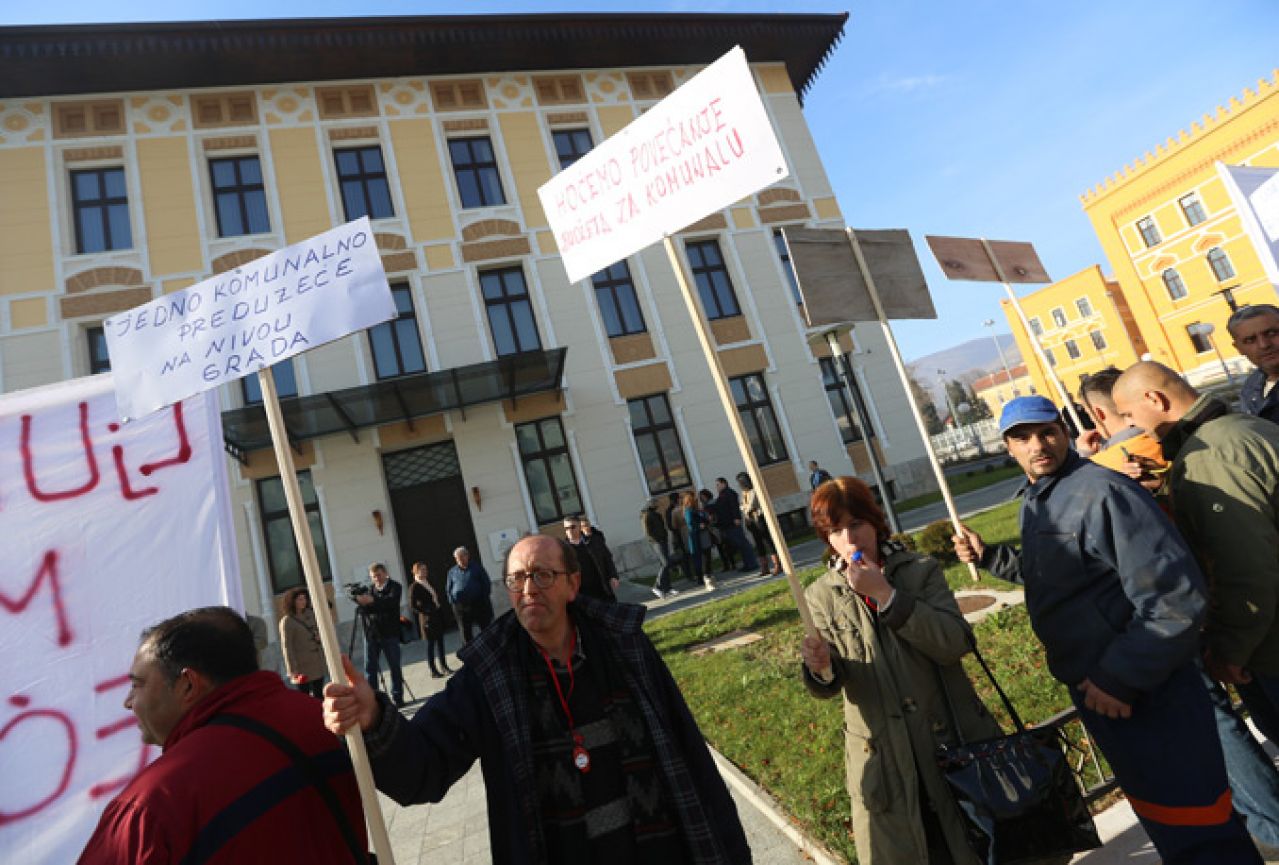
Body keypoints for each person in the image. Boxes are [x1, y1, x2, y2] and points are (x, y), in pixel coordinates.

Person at [952, 395, 1261, 864]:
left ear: (1063, 431)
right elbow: (1064, 576)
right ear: (1007, 448)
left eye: (1047, 431)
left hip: (1145, 692)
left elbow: (1174, 595)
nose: (1037, 445)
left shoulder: (1102, 491)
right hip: (1103, 694)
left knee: (1199, 829)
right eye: (1022, 437)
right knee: (1171, 826)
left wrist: (1120, 677)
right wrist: (991, 556)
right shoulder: (1040, 499)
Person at [322, 534, 751, 865]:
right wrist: (375, 716)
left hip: (659, 852)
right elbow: (426, 769)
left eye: (542, 575)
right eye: (517, 579)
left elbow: (689, 752)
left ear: (573, 585)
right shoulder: (489, 676)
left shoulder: (626, 648)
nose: (529, 588)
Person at [1099, 363, 1279, 853]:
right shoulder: (1248, 428)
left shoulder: (1209, 455)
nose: (1132, 428)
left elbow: (1246, 570)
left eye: (1130, 414)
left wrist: (1230, 649)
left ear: (1156, 401)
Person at [800, 477, 1001, 864]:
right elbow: (829, 683)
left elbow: (954, 643)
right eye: (836, 530)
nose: (850, 539)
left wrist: (885, 596)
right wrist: (821, 669)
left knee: (976, 845)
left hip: (952, 743)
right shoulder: (821, 595)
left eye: (856, 524)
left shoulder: (919, 571)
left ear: (875, 522)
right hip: (886, 762)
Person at [78, 607, 366, 865]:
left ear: (188, 685)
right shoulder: (329, 719)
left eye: (137, 685)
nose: (128, 702)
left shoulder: (152, 805)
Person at [357, 562, 405, 707]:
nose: (376, 579)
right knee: (370, 667)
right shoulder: (370, 590)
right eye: (373, 577)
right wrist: (362, 603)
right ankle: (374, 699)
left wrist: (373, 601)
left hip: (389, 633)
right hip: (372, 633)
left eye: (378, 575)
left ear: (384, 573)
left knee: (394, 665)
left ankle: (398, 697)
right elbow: (368, 610)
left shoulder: (395, 587)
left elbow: (390, 603)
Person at [1229, 303, 1279, 424]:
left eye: (1271, 333)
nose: (1264, 345)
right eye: (1250, 340)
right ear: (1239, 348)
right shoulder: (1250, 387)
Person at [279, 586, 326, 698]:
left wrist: (320, 637)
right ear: (292, 601)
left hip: (316, 661)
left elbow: (319, 629)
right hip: (301, 665)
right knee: (304, 695)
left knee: (319, 693)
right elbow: (287, 647)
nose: (303, 602)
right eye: (299, 599)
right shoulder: (287, 621)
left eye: (304, 598)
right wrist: (292, 669)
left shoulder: (310, 614)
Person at [410, 561, 452, 679]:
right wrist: (426, 611)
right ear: (416, 571)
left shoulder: (428, 582)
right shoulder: (415, 586)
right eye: (422, 570)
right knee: (430, 645)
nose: (425, 572)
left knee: (440, 643)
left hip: (436, 616)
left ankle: (444, 666)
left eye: (425, 569)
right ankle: (433, 670)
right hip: (427, 620)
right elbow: (413, 606)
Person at [446, 546, 495, 644]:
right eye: (457, 558)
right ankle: (470, 653)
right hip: (461, 607)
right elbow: (448, 588)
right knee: (465, 632)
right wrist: (453, 602)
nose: (459, 559)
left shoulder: (477, 568)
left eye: (461, 556)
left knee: (485, 628)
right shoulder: (452, 572)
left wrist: (484, 599)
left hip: (478, 603)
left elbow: (486, 583)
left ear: (467, 556)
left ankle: (490, 647)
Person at [737, 471, 780, 577]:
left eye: (740, 482)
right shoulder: (744, 493)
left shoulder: (754, 490)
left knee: (767, 541)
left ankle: (777, 564)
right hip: (750, 521)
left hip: (758, 518)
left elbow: (752, 505)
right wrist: (745, 508)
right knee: (758, 543)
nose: (739, 485)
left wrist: (745, 508)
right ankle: (764, 567)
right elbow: (741, 506)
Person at [563, 516, 617, 601]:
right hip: (583, 594)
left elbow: (607, 558)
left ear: (579, 527)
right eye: (566, 528)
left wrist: (613, 576)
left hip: (602, 588)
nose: (569, 531)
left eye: (572, 527)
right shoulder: (564, 549)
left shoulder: (594, 541)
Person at [713, 477, 760, 573]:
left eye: (718, 484)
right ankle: (748, 563)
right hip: (727, 524)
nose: (716, 487)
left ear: (724, 484)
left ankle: (752, 564)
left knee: (742, 543)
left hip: (733, 523)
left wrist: (737, 518)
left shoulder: (730, 493)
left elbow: (734, 506)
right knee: (740, 544)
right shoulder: (722, 495)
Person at [640, 499, 680, 599]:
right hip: (657, 543)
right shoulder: (646, 515)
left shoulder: (656, 514)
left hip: (663, 541)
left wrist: (664, 538)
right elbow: (648, 532)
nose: (657, 505)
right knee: (666, 563)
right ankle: (657, 586)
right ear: (650, 504)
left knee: (664, 564)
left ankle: (667, 588)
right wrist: (657, 540)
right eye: (656, 503)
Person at [578, 515, 621, 596]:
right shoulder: (580, 544)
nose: (586, 528)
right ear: (580, 529)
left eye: (587, 525)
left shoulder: (597, 538)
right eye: (583, 526)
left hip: (603, 578)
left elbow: (608, 558)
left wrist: (613, 576)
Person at [684, 491, 715, 590]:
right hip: (696, 537)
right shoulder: (689, 511)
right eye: (694, 499)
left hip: (701, 535)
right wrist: (699, 526)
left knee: (705, 556)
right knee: (699, 558)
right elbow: (690, 524)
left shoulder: (696, 510)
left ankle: (706, 575)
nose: (697, 500)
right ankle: (703, 578)